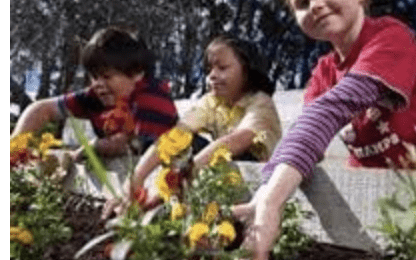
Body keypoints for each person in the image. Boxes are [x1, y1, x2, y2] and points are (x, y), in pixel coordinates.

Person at [230, 0, 416, 260]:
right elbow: (305, 138)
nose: (315, 4)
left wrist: (272, 200)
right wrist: (264, 194)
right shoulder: (323, 72)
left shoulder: (391, 40)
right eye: (302, 2)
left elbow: (335, 107)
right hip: (365, 211)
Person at [101, 34, 282, 218]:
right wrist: (134, 182)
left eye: (222, 67)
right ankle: (160, 208)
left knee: (201, 153)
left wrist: (182, 176)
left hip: (257, 186)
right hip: (218, 181)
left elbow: (237, 141)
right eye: (210, 68)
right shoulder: (212, 102)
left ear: (248, 70)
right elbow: (174, 136)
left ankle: (164, 207)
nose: (212, 75)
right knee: (180, 142)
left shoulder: (261, 103)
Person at [11, 25, 179, 160]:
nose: (98, 84)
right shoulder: (95, 97)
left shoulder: (152, 97)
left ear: (136, 74)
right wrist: (14, 150)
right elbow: (41, 109)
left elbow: (134, 144)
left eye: (107, 76)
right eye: (94, 76)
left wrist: (93, 147)